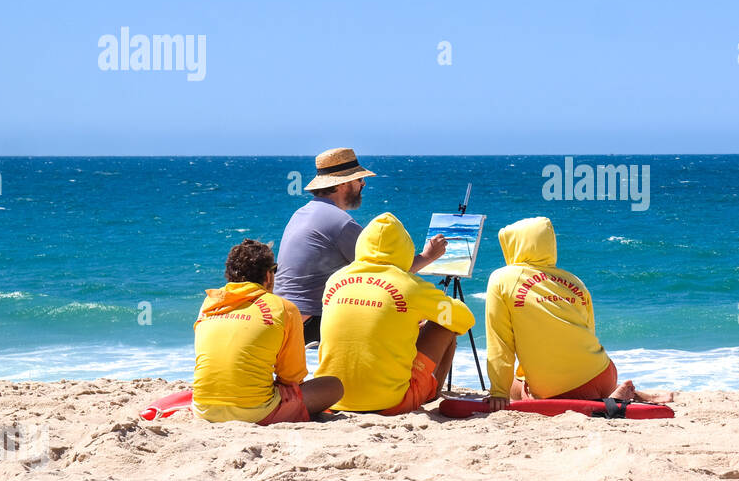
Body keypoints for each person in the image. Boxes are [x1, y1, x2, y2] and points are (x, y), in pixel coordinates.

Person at [483, 217, 671, 411]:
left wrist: (499, 392)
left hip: (557, 387)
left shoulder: (501, 278)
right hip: (603, 372)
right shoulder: (574, 281)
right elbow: (587, 332)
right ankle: (616, 392)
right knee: (567, 379)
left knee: (515, 389)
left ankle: (610, 395)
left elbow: (500, 343)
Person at [275, 148, 446, 345]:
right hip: (313, 325)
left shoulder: (301, 213)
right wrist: (428, 256)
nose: (363, 183)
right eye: (359, 180)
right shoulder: (339, 222)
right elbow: (391, 274)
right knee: (422, 330)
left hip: (285, 320)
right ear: (344, 184)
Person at [317, 213, 474, 414]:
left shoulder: (335, 279)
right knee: (444, 326)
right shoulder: (410, 286)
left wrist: (403, 321)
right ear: (405, 248)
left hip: (332, 398)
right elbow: (464, 318)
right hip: (390, 404)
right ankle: (430, 392)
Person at [192, 238, 343, 424]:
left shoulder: (209, 304)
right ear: (269, 276)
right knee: (333, 385)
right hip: (256, 413)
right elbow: (291, 378)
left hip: (203, 409)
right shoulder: (283, 308)